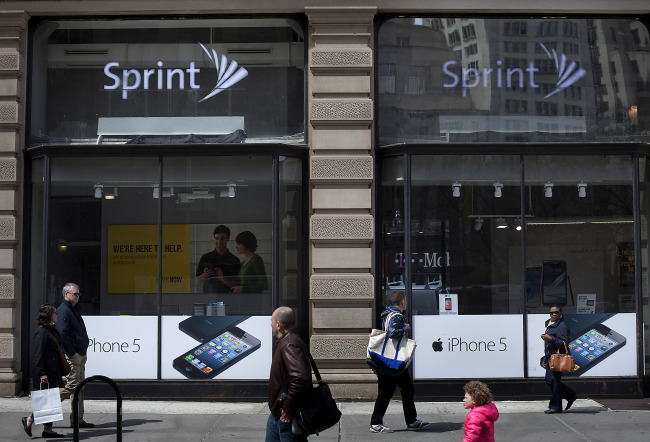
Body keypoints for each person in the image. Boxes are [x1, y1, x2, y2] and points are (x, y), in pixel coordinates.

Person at [369, 291, 429, 433]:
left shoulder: (388, 314)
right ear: (402, 301)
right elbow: (393, 333)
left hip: (392, 360)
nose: (406, 302)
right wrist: (406, 328)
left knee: (407, 388)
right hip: (392, 361)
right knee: (386, 392)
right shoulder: (396, 316)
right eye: (406, 300)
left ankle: (412, 421)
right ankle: (376, 423)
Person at [266, 307, 311, 442]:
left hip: (286, 415)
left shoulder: (289, 344)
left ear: (278, 325)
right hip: (277, 412)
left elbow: (300, 378)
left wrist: (288, 409)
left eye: (272, 321)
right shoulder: (289, 340)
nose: (270, 324)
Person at [21, 304, 66, 438]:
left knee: (51, 400)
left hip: (53, 371)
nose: (57, 314)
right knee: (46, 401)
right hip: (46, 372)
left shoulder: (51, 329)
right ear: (48, 315)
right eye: (55, 313)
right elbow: (37, 354)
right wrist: (41, 373)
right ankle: (29, 419)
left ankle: (48, 429)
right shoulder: (41, 332)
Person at [55, 283, 94, 428]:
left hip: (80, 354)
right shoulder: (63, 310)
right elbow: (62, 336)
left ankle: (77, 419)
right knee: (72, 386)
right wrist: (73, 354)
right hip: (73, 356)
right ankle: (41, 410)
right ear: (66, 295)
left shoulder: (74, 309)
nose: (77, 297)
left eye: (78, 294)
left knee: (80, 388)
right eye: (75, 294)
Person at [540, 305, 577, 414]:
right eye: (552, 313)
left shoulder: (562, 326)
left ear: (561, 313)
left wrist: (550, 338)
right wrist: (545, 358)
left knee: (554, 381)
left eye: (556, 312)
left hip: (557, 358)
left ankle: (555, 407)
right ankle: (570, 395)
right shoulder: (549, 324)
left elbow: (564, 343)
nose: (554, 314)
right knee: (550, 380)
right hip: (550, 357)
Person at [195, 225, 241, 294]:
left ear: (228, 238)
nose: (219, 242)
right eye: (216, 239)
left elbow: (238, 285)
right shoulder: (206, 258)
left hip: (228, 298)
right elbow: (196, 282)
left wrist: (222, 278)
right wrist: (204, 275)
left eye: (222, 239)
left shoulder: (234, 260)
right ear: (214, 238)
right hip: (209, 297)